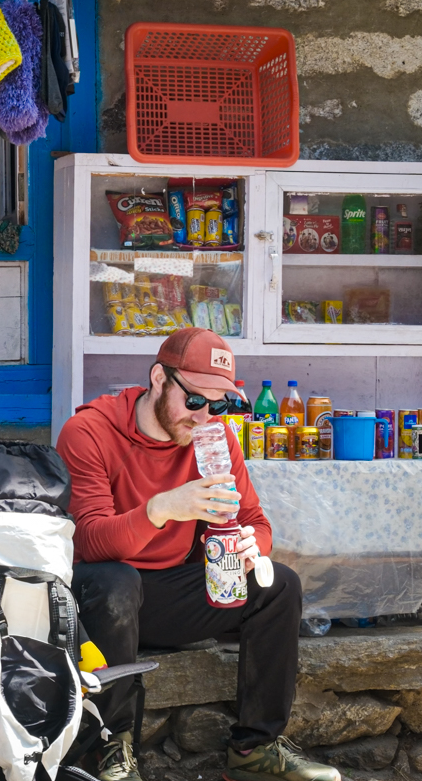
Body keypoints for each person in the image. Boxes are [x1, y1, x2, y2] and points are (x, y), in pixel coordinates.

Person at [55, 328, 339, 781]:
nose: (205, 415)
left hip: (171, 596)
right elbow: (87, 542)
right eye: (194, 401)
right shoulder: (89, 430)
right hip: (99, 603)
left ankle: (255, 749)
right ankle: (110, 746)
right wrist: (161, 509)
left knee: (278, 583)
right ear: (158, 379)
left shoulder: (217, 439)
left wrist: (251, 546)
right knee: (116, 581)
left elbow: (257, 523)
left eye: (219, 404)